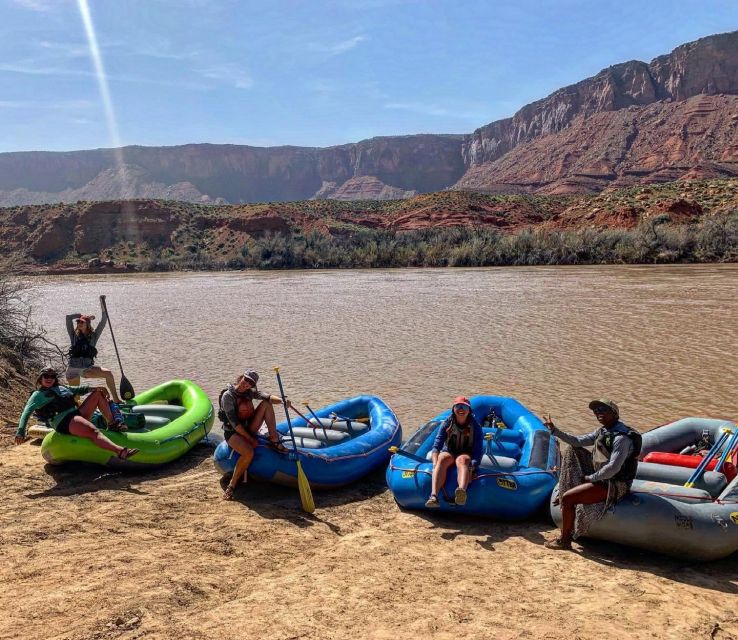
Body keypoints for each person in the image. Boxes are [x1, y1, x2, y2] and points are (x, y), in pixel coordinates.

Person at [542, 399, 642, 550]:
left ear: (614, 413)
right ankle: (569, 488)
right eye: (596, 411)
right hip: (602, 477)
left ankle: (565, 540)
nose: (599, 413)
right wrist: (555, 430)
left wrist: (591, 478)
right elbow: (577, 441)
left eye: (603, 410)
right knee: (572, 450)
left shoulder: (622, 438)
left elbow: (613, 468)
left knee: (568, 498)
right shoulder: (602, 431)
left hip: (615, 483)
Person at [14, 367, 138, 460]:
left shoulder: (61, 387)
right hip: (64, 422)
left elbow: (79, 389)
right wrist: (20, 431)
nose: (49, 379)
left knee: (98, 394)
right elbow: (26, 412)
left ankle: (112, 424)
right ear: (40, 378)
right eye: (46, 376)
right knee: (93, 432)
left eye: (52, 376)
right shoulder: (37, 395)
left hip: (76, 414)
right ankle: (120, 452)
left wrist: (96, 388)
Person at [219, 369, 291, 500]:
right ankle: (232, 485)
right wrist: (250, 438)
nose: (246, 384)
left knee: (266, 404)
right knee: (248, 452)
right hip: (233, 432)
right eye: (245, 380)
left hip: (248, 427)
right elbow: (235, 424)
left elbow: (267, 397)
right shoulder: (228, 396)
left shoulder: (249, 393)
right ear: (241, 377)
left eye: (250, 383)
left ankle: (274, 439)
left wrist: (282, 401)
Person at [425, 396, 483, 508]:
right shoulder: (447, 423)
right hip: (450, 451)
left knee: (463, 460)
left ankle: (461, 491)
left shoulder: (475, 426)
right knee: (442, 459)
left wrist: (474, 465)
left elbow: (478, 450)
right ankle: (433, 496)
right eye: (458, 406)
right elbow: (437, 445)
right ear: (453, 409)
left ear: (469, 410)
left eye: (464, 407)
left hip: (466, 452)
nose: (461, 409)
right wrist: (434, 464)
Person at [65, 295, 120, 403]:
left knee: (108, 374)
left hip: (86, 369)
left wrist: (102, 303)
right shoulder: (73, 335)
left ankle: (117, 400)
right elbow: (68, 318)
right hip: (72, 370)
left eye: (82, 322)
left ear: (87, 324)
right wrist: (80, 315)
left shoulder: (94, 336)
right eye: (78, 322)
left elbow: (104, 320)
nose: (79, 324)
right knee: (76, 399)